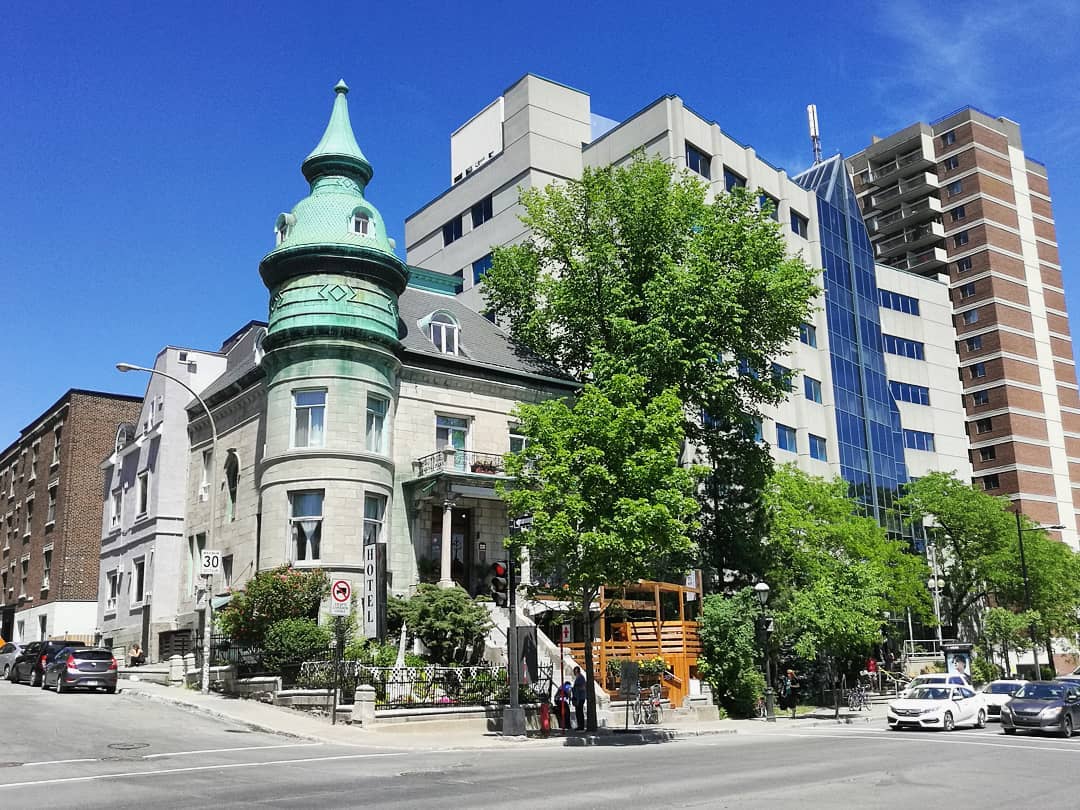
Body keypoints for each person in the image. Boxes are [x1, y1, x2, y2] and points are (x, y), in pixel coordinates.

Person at [572, 666, 587, 730]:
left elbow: (582, 687)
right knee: (578, 712)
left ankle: (581, 726)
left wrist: (575, 689)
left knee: (579, 712)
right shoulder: (579, 677)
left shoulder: (580, 678)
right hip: (578, 697)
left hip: (580, 697)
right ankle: (580, 725)